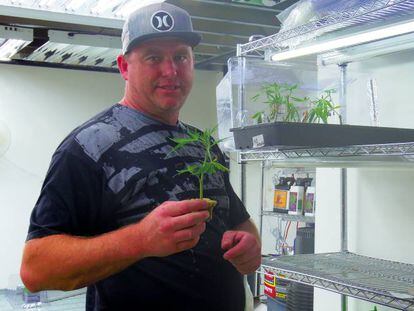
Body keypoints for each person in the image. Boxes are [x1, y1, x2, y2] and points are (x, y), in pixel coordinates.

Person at [20, 2, 261, 310]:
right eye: (153, 57)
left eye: (180, 57)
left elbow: (239, 223)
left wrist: (248, 245)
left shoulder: (203, 145)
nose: (170, 71)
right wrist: (140, 240)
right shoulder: (87, 148)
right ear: (123, 66)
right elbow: (35, 269)